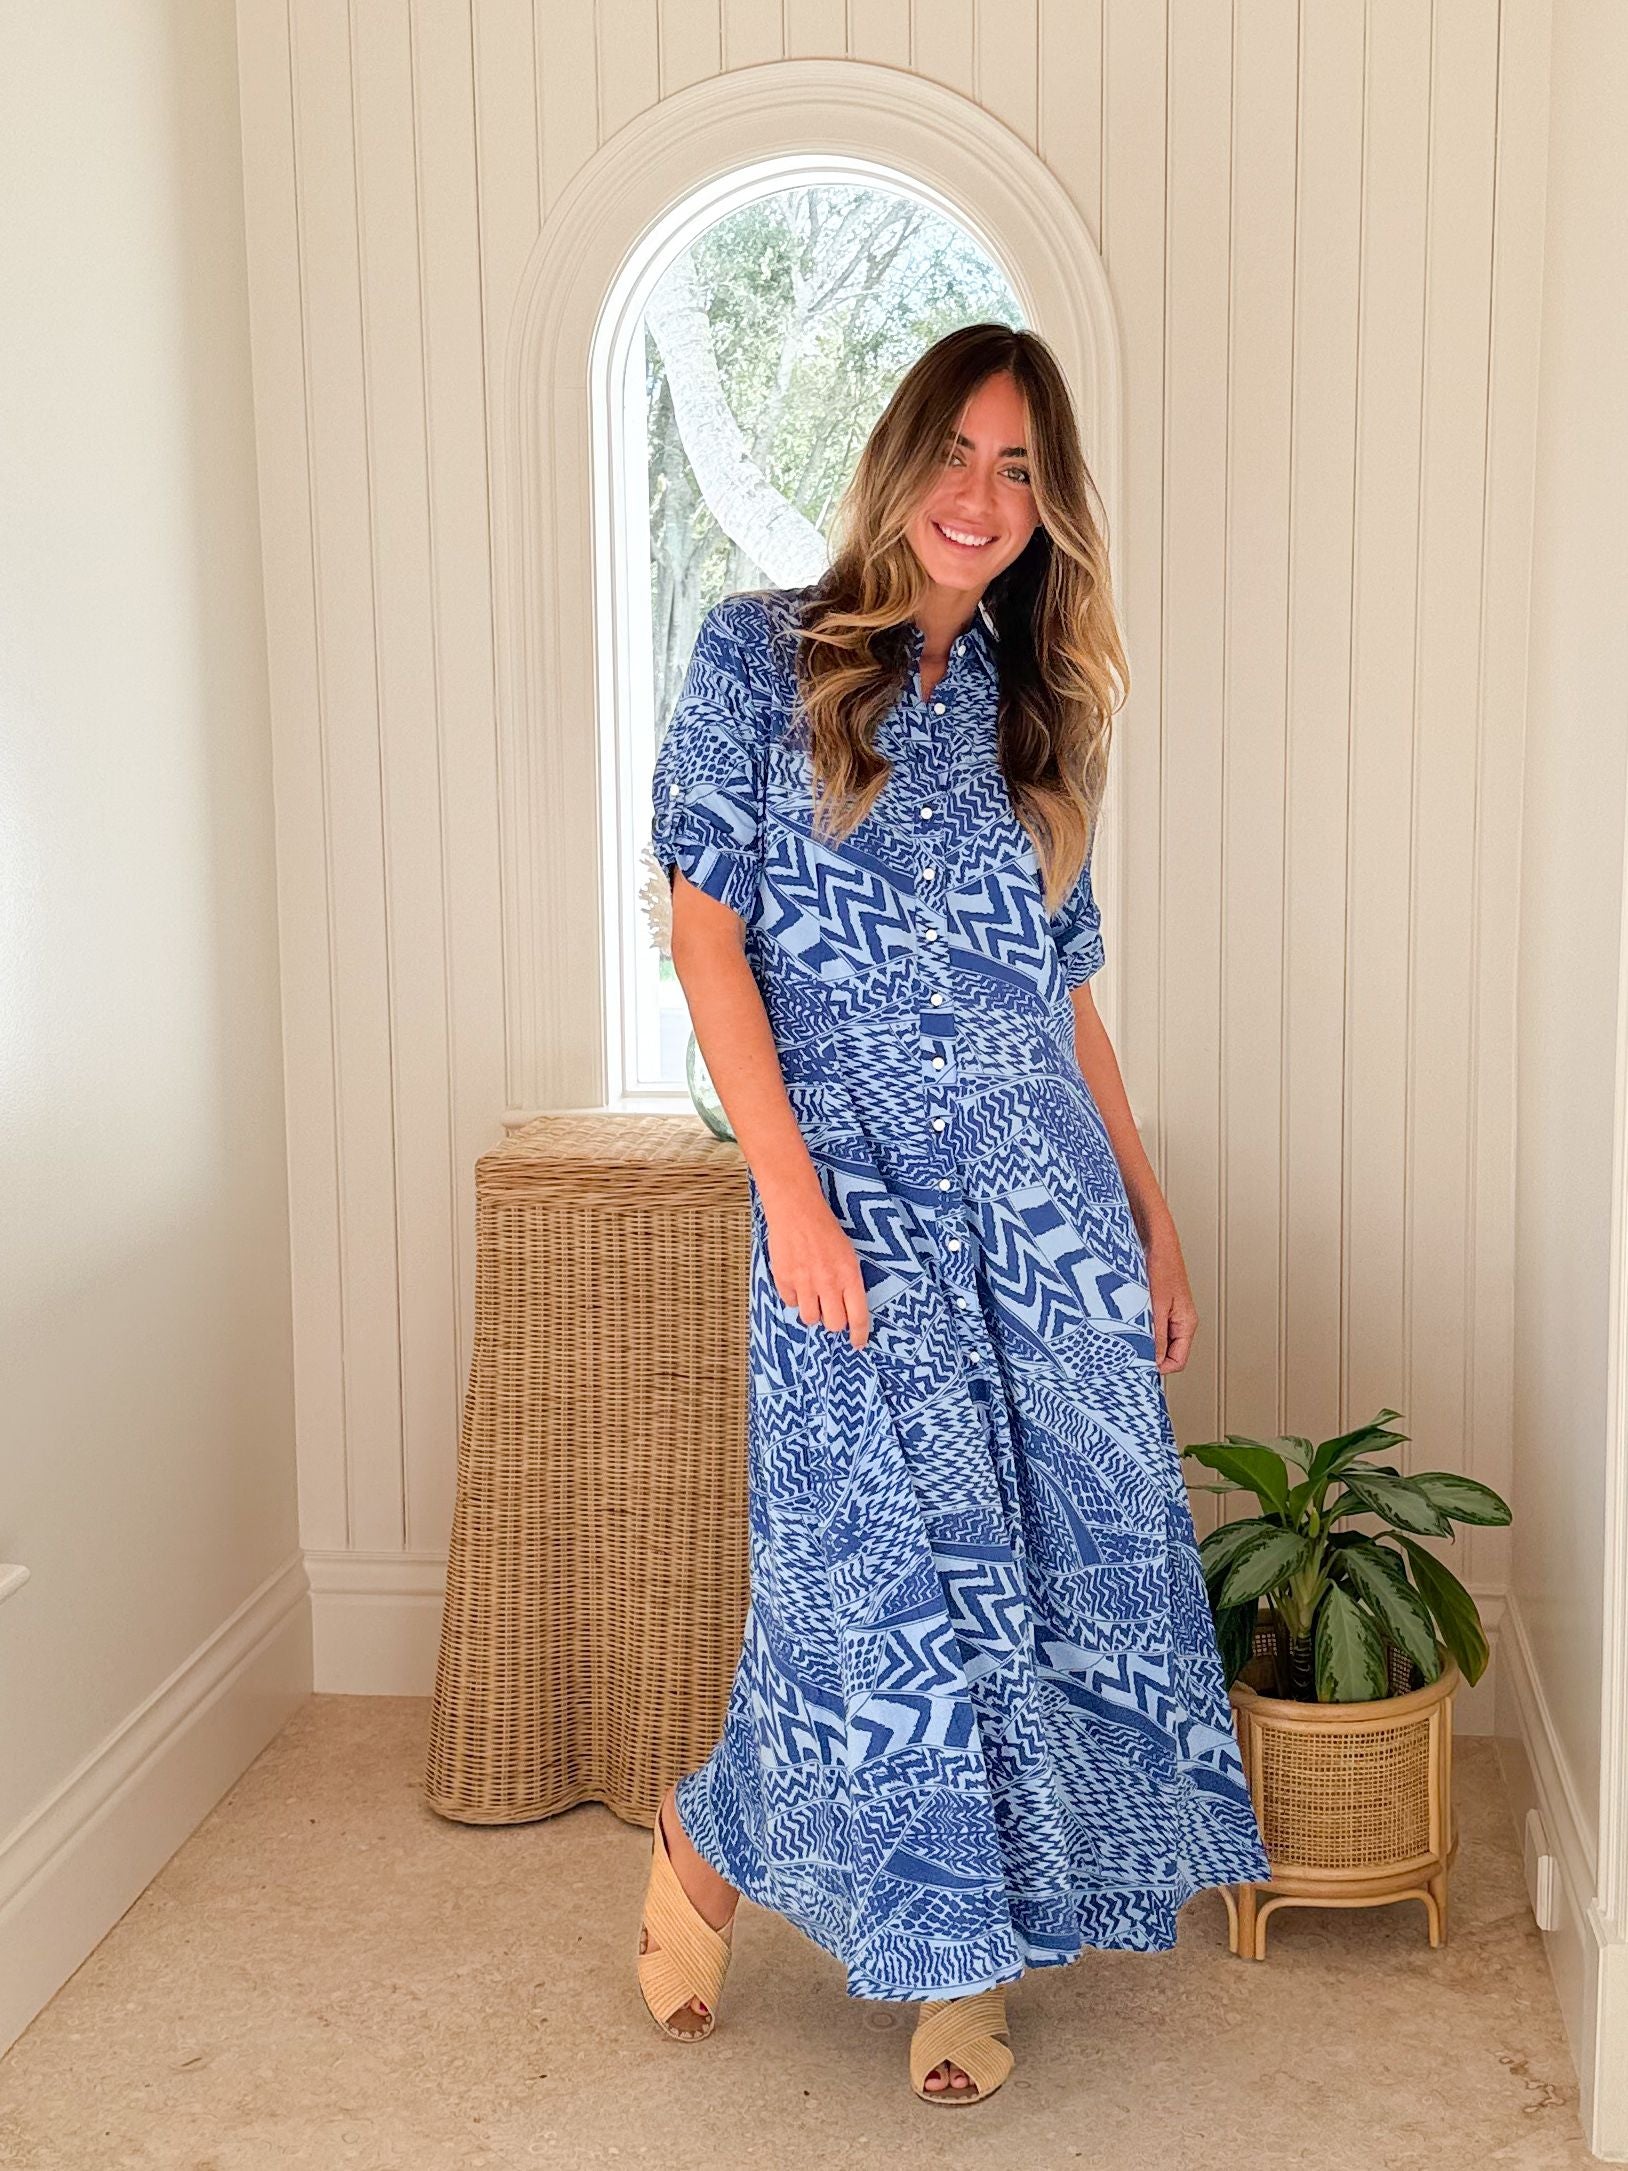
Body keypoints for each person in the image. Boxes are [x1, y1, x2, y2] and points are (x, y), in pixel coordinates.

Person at [636, 322, 1270, 2106]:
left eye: (1019, 469)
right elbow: (704, 937)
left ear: (1047, 504)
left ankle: (963, 1969)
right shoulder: (757, 658)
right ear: (900, 458)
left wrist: (1148, 1215)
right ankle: (709, 1838)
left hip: (1041, 1213)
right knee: (868, 1596)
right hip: (848, 1202)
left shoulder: (1044, 710)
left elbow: (1065, 999)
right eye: (958, 454)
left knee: (1036, 1592)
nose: (980, 496)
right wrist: (791, 1203)